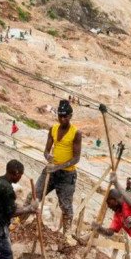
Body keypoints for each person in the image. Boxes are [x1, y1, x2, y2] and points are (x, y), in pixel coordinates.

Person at [37, 99, 82, 241]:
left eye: (65, 116)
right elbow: (46, 150)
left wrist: (59, 166)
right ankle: (20, 221)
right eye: (60, 116)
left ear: (70, 116)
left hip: (67, 174)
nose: (62, 119)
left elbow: (76, 159)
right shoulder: (53, 129)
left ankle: (67, 233)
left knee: (66, 205)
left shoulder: (76, 133)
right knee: (35, 195)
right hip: (51, 170)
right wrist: (48, 157)